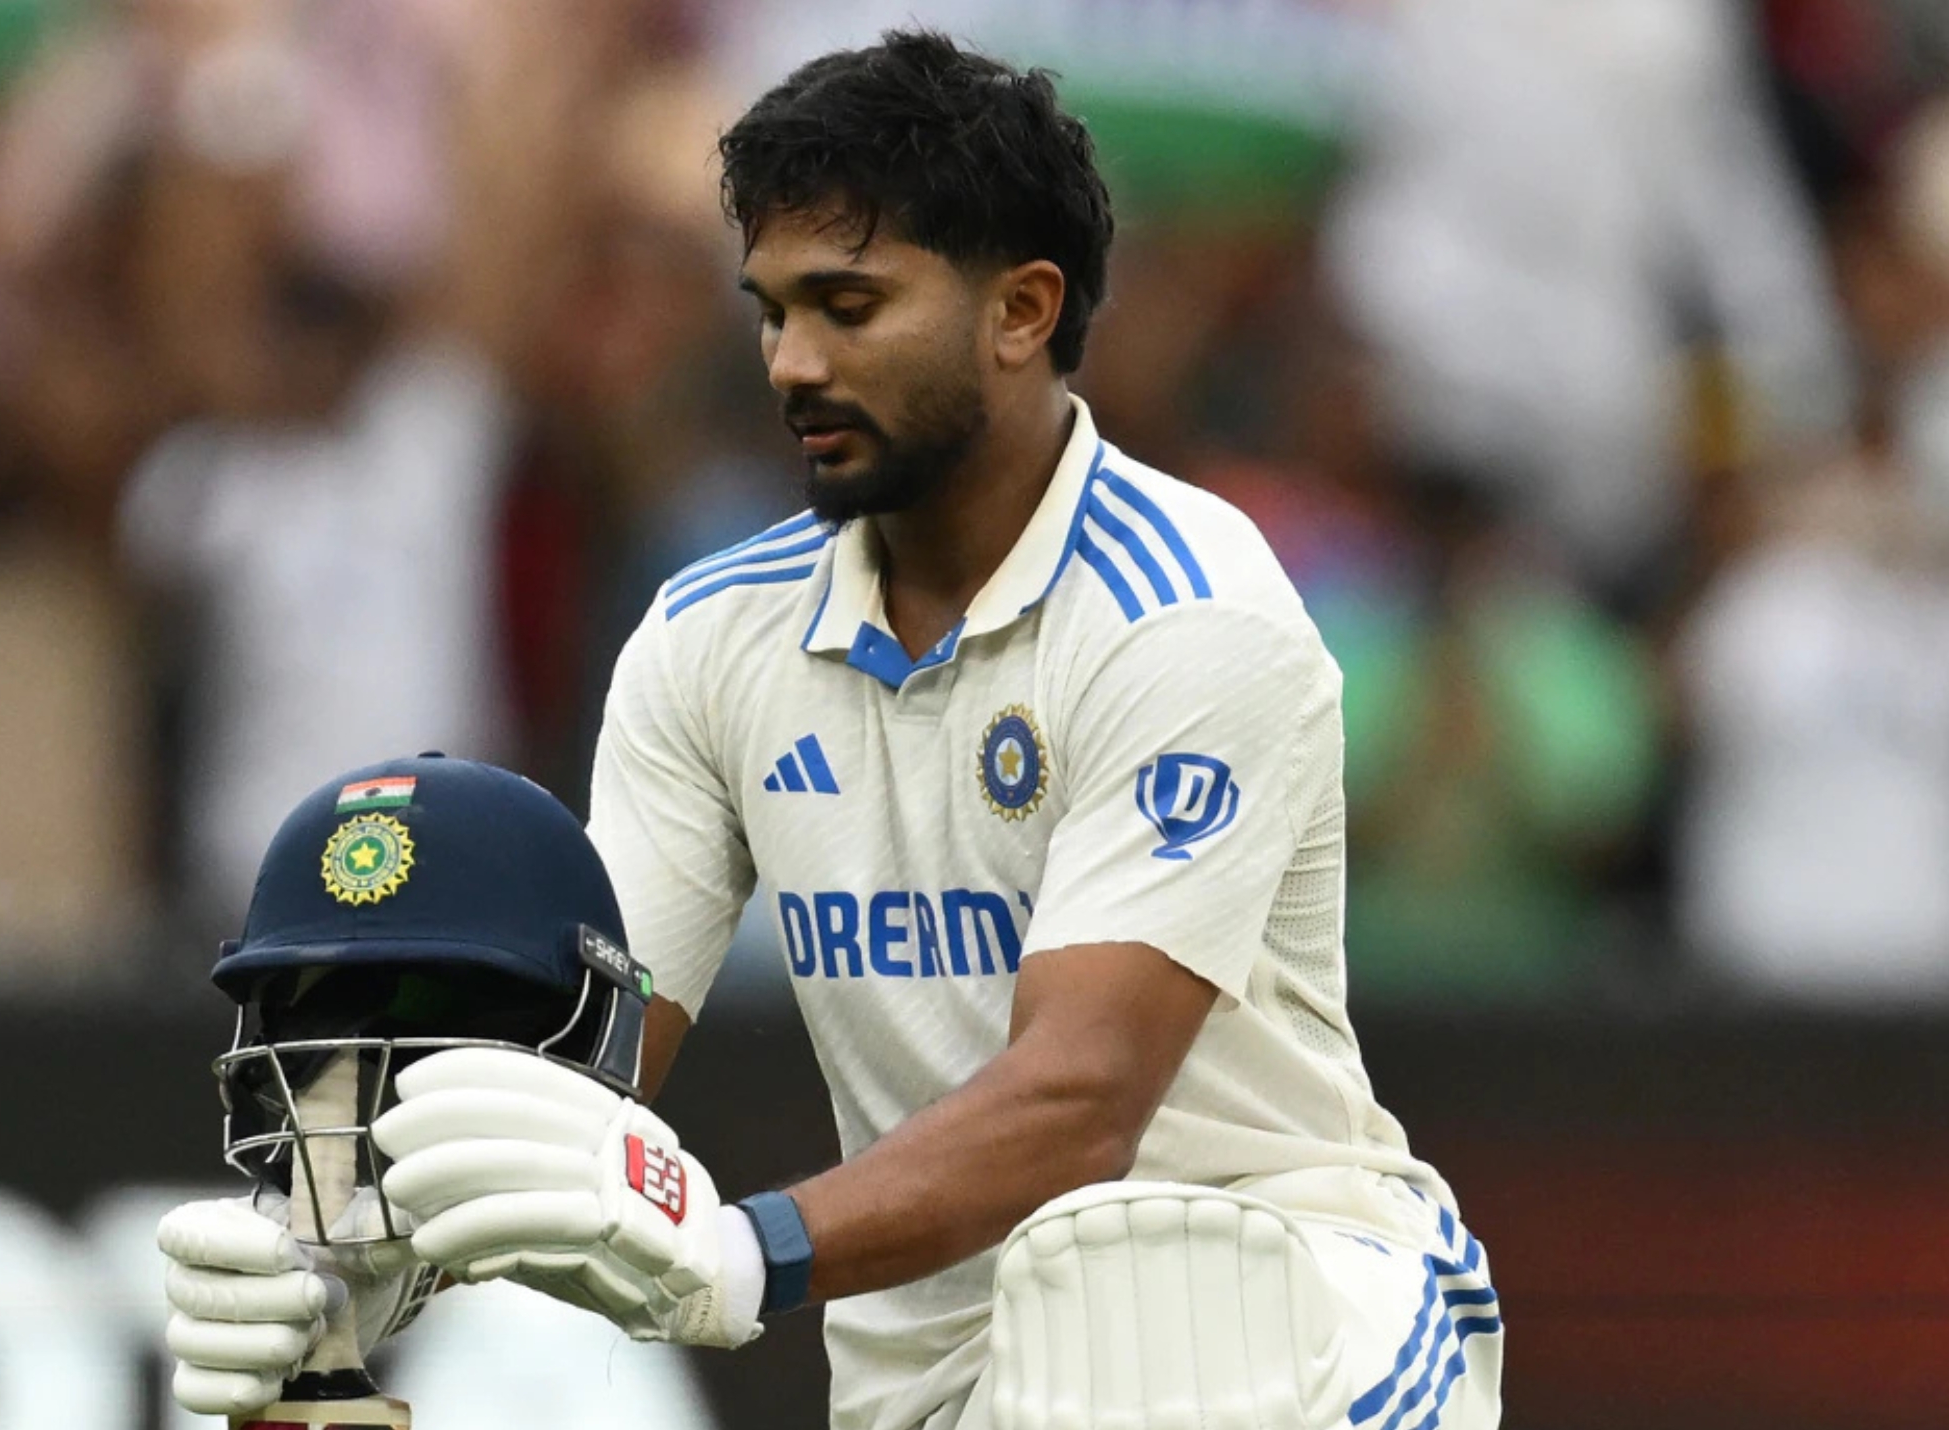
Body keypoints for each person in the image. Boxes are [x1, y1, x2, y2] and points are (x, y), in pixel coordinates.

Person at [160, 31, 1500, 1430]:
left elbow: (1081, 1099)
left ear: (1022, 311)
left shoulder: (1188, 608)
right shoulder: (708, 636)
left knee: (1121, 1288)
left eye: (850, 306)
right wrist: (360, 1255)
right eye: (774, 308)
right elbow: (594, 1062)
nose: (793, 362)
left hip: (1310, 1330)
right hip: (944, 1386)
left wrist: (744, 1245)